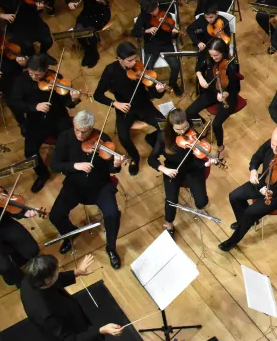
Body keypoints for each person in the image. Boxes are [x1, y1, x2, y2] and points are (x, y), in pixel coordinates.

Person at [49, 110, 127, 269]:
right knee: (55, 215)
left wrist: (116, 165)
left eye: (83, 131)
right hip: (75, 186)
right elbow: (55, 164)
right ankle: (71, 233)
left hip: (100, 186)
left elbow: (111, 167)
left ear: (91, 128)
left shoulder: (103, 139)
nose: (78, 134)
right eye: (76, 129)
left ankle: (111, 248)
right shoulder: (65, 137)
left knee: (112, 214)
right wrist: (74, 166)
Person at [219, 124, 277, 250]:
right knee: (234, 196)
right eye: (273, 144)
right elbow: (257, 157)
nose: (275, 149)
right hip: (263, 181)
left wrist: (265, 189)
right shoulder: (272, 144)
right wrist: (253, 170)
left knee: (249, 213)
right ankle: (245, 223)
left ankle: (232, 241)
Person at [93, 42, 166, 176]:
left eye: (135, 59)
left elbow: (154, 94)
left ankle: (154, 155)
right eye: (129, 60)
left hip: (144, 105)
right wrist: (115, 103)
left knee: (164, 125)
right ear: (119, 59)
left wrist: (159, 91)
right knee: (123, 136)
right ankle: (135, 157)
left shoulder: (141, 67)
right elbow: (97, 95)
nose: (134, 63)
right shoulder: (110, 70)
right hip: (124, 108)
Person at [10, 55, 81, 191]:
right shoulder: (21, 81)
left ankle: (68, 166)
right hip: (36, 121)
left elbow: (67, 103)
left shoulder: (55, 78)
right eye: (31, 73)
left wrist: (74, 99)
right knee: (30, 152)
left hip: (57, 116)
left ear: (46, 70)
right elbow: (15, 103)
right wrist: (34, 107)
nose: (34, 77)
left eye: (38, 74)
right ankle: (43, 174)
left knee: (71, 140)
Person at [149, 108, 213, 235]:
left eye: (185, 127)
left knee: (202, 202)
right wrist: (164, 169)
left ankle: (199, 207)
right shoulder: (163, 136)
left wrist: (206, 163)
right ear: (171, 126)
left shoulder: (192, 133)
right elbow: (152, 159)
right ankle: (169, 224)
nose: (183, 131)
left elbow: (197, 159)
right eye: (178, 129)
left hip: (192, 169)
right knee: (171, 201)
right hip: (172, 170)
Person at [185, 40, 239, 155]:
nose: (213, 57)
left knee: (216, 124)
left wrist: (225, 94)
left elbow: (236, 88)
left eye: (216, 55)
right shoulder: (209, 60)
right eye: (211, 55)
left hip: (227, 96)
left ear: (223, 52)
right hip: (211, 92)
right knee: (189, 112)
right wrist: (200, 77)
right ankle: (204, 124)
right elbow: (199, 66)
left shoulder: (231, 66)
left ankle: (220, 146)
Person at [132, 0, 182, 94]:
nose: (154, 13)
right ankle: (155, 87)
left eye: (154, 10)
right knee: (147, 69)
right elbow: (134, 32)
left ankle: (173, 84)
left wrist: (174, 34)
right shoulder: (143, 16)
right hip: (151, 44)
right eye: (151, 12)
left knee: (176, 66)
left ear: (157, 4)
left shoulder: (166, 13)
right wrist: (146, 30)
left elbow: (173, 36)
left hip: (166, 43)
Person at [65, 0, 111, 68]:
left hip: (101, 12)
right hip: (87, 11)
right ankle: (88, 50)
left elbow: (106, 3)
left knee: (90, 32)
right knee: (78, 31)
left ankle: (94, 53)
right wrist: (69, 2)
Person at [187, 1, 233, 72]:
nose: (209, 20)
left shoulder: (224, 21)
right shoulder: (202, 19)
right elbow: (189, 29)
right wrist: (198, 42)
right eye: (207, 17)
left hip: (220, 48)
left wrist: (221, 38)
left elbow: (227, 39)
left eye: (211, 17)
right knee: (202, 65)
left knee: (223, 66)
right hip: (206, 46)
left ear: (217, 13)